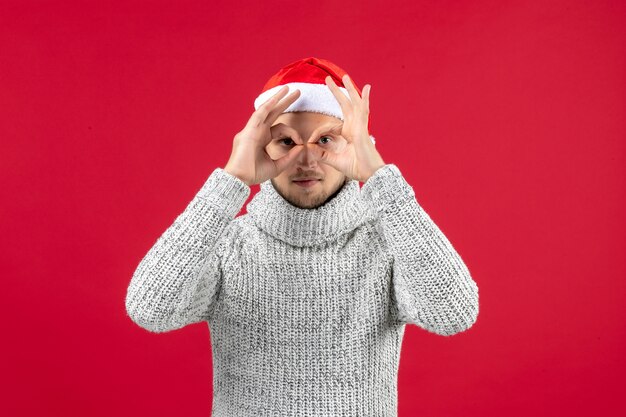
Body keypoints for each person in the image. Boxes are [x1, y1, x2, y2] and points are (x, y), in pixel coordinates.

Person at [125, 56, 479, 416]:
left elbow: (454, 313)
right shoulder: (229, 244)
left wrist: (377, 176)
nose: (306, 160)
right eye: (286, 142)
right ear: (263, 148)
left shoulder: (388, 243)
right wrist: (230, 179)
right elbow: (151, 309)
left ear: (357, 144)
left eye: (326, 139)